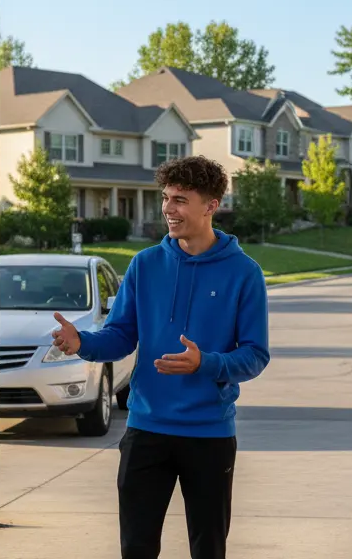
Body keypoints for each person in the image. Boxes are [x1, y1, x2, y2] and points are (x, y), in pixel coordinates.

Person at [52, 155, 270, 559]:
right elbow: (120, 336)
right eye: (166, 198)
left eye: (181, 199)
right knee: (136, 546)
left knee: (208, 548)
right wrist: (82, 342)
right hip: (146, 428)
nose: (169, 209)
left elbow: (255, 355)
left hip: (209, 433)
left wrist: (206, 362)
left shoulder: (244, 273)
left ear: (211, 205)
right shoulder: (145, 264)